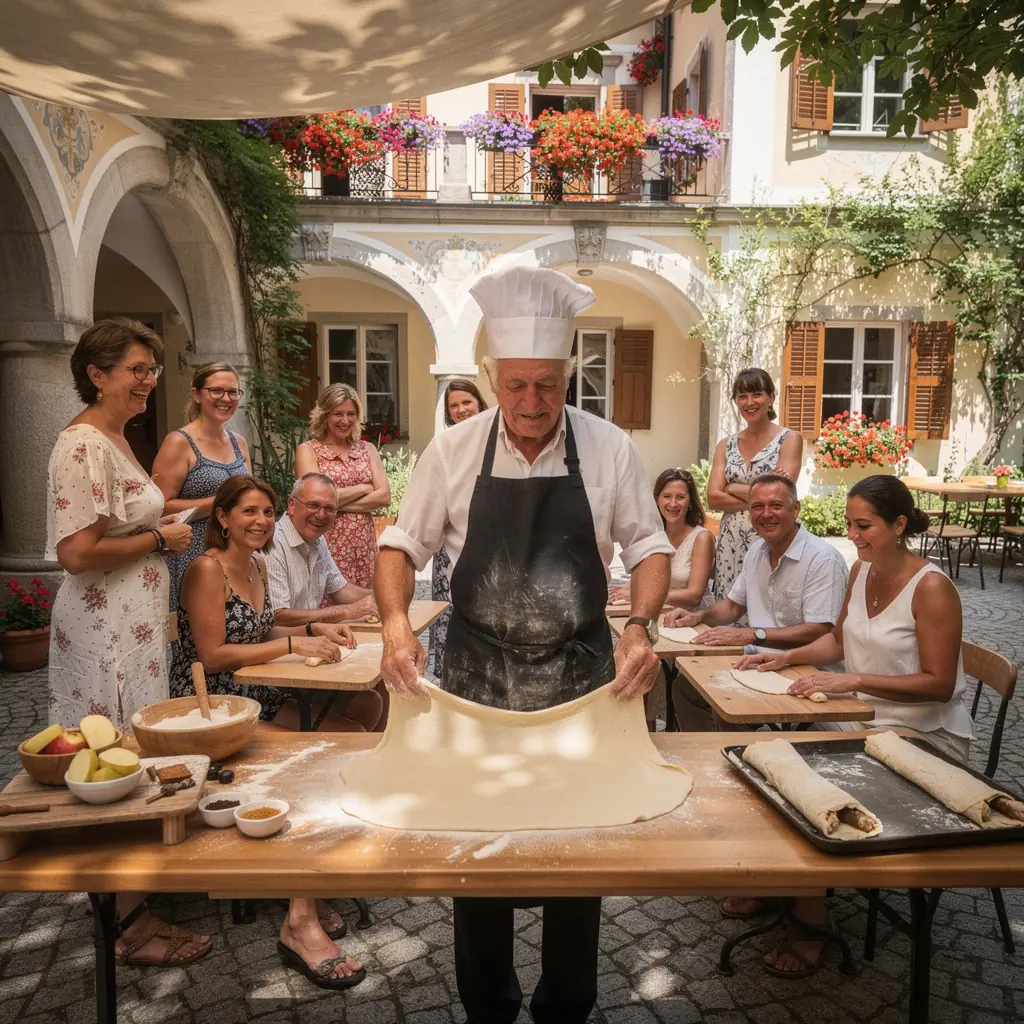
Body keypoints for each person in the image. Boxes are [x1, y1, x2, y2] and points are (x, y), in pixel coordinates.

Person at [377, 265, 673, 1024]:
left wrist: (639, 626)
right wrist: (394, 624)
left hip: (583, 681)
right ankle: (487, 1006)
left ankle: (567, 1006)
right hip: (477, 681)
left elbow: (649, 548)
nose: (532, 402)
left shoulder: (609, 448)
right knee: (479, 850)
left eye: (547, 384)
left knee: (579, 848)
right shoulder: (452, 451)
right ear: (492, 378)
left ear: (567, 376)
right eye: (516, 386)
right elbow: (400, 545)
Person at [734, 475, 973, 977]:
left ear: (899, 524)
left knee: (805, 786)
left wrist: (855, 680)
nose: (853, 535)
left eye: (863, 526)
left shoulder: (931, 587)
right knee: (769, 763)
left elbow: (939, 684)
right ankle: (784, 884)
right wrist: (785, 658)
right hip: (867, 723)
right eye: (849, 524)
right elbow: (838, 641)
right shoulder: (862, 570)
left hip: (923, 738)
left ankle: (812, 924)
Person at [46, 317, 210, 968]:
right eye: (136, 369)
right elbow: (75, 553)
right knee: (114, 754)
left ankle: (132, 897)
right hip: (104, 629)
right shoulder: (82, 443)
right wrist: (160, 539)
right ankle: (131, 926)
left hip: (130, 627)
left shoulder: (115, 436)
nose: (148, 381)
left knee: (132, 750)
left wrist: (165, 521)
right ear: (96, 373)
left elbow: (117, 521)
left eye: (152, 370)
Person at [171, 475, 366, 988]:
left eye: (265, 511)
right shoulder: (206, 568)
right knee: (324, 752)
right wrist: (294, 646)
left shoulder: (256, 563)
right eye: (248, 512)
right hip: (213, 709)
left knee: (355, 726)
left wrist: (313, 629)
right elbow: (214, 654)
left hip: (255, 693)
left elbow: (264, 628)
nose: (260, 521)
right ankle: (300, 917)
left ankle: (309, 872)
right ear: (222, 517)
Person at [665, 474, 848, 731]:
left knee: (725, 704)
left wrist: (752, 634)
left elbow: (819, 630)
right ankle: (719, 751)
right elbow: (733, 606)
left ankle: (740, 749)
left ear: (795, 509)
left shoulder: (822, 559)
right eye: (758, 506)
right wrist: (699, 616)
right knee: (686, 688)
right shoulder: (757, 551)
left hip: (808, 666)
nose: (766, 514)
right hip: (761, 659)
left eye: (776, 505)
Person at [264, 472, 383, 731]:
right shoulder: (273, 544)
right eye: (313, 505)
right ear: (292, 505)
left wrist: (385, 597)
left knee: (379, 687)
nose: (321, 514)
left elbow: (341, 589)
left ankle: (378, 753)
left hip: (307, 651)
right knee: (370, 696)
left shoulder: (317, 540)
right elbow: (278, 615)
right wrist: (347, 611)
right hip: (278, 664)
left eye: (329, 508)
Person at [151, 362, 250, 609]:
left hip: (233, 553)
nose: (226, 398)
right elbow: (159, 507)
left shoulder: (239, 442)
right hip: (192, 553)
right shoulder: (178, 442)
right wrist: (221, 502)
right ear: (196, 394)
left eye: (233, 392)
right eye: (216, 391)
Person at [708, 368, 803, 602]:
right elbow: (712, 497)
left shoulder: (789, 439)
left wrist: (732, 488)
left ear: (771, 397)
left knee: (768, 605)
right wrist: (761, 493)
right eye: (742, 396)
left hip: (770, 535)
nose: (749, 402)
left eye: (757, 394)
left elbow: (780, 494)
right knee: (728, 608)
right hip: (730, 541)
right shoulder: (726, 445)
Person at [295, 383, 390, 590]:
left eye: (351, 414)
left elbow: (384, 497)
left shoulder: (367, 449)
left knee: (367, 603)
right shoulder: (308, 450)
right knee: (329, 602)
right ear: (325, 415)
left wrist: (332, 503)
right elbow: (313, 500)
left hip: (364, 547)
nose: (345, 420)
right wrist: (364, 488)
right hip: (327, 545)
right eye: (338, 414)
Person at [429, 379, 489, 676]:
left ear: (479, 403)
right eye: (454, 405)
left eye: (467, 402)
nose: (461, 409)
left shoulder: (496, 441)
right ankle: (449, 674)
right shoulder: (444, 447)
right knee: (448, 611)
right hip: (450, 540)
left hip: (487, 540)